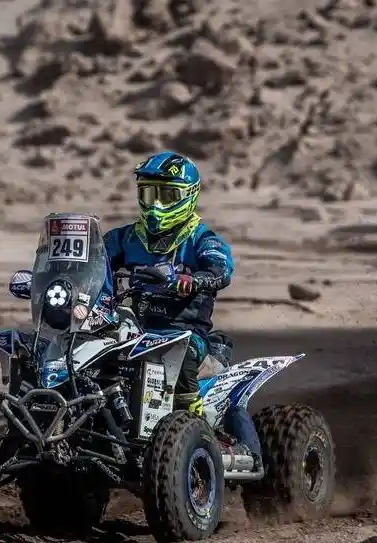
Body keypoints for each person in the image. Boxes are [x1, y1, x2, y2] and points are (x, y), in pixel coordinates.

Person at [103, 151, 262, 465]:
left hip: (185, 334)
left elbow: (221, 270)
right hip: (134, 331)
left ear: (188, 196)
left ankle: (196, 430)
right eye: (149, 193)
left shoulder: (203, 239)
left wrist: (192, 279)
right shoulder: (126, 238)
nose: (156, 205)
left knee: (181, 355)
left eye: (167, 195)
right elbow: (94, 256)